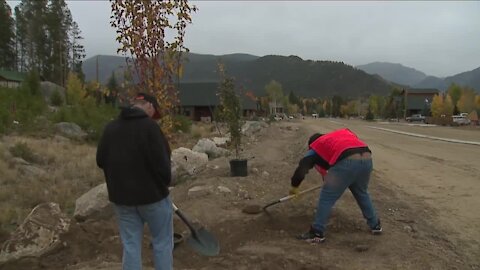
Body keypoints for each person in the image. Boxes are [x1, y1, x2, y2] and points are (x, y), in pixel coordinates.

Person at [96, 92, 173, 270]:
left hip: (122, 199)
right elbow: (164, 166)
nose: (154, 117)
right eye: (155, 113)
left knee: (130, 245)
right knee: (162, 243)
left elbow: (100, 160)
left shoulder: (111, 128)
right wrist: (163, 183)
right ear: (149, 106)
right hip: (153, 198)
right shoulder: (150, 128)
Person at [289, 128, 382, 243]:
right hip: (367, 158)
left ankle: (317, 232)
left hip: (347, 161)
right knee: (362, 193)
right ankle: (375, 225)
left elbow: (302, 168)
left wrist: (294, 186)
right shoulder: (334, 139)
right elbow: (330, 166)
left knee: (326, 197)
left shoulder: (316, 146)